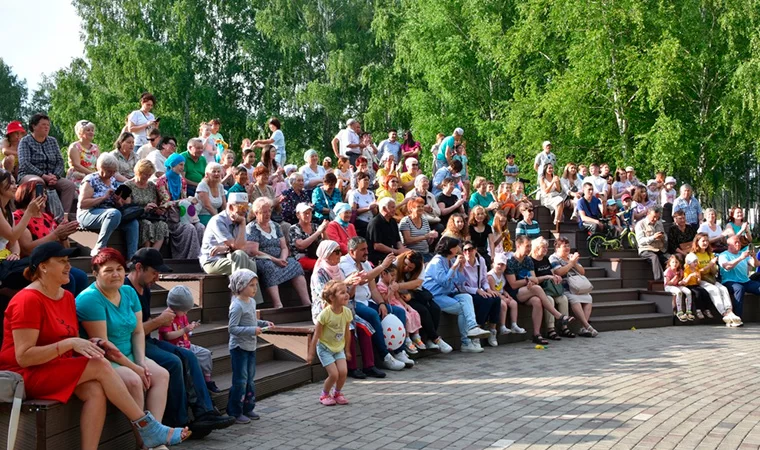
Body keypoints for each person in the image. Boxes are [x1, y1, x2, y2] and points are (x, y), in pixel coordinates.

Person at [0, 242, 190, 449]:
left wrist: (93, 344)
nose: (69, 266)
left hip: (54, 367)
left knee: (95, 390)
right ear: (43, 267)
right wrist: (70, 343)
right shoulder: (27, 300)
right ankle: (149, 427)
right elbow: (24, 357)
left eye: (68, 261)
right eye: (62, 261)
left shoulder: (66, 297)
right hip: (25, 374)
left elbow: (65, 339)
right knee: (99, 366)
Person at [76, 249, 187, 445]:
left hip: (129, 352)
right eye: (108, 270)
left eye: (119, 269)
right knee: (135, 380)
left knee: (161, 374)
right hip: (105, 359)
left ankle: (155, 438)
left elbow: (137, 332)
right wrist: (135, 368)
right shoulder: (89, 299)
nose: (116, 274)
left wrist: (142, 361)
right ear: (95, 273)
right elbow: (104, 348)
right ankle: (145, 443)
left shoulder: (128, 292)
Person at [125, 249, 235, 436]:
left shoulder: (146, 288)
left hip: (147, 340)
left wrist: (157, 322)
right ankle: (179, 422)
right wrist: (158, 322)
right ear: (138, 267)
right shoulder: (125, 290)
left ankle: (204, 412)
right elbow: (128, 332)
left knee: (189, 356)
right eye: (154, 272)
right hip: (132, 344)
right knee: (174, 362)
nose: (157, 277)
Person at [310, 240, 389, 377]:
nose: (340, 255)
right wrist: (345, 282)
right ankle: (352, 367)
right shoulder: (319, 272)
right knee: (350, 329)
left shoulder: (338, 270)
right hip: (326, 310)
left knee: (365, 327)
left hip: (344, 308)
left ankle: (369, 365)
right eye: (337, 252)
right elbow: (326, 295)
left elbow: (349, 295)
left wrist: (353, 285)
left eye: (340, 251)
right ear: (327, 254)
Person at [340, 237, 415, 368]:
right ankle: (384, 356)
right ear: (352, 252)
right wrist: (383, 266)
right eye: (362, 250)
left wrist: (381, 303)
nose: (366, 252)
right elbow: (360, 280)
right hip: (354, 303)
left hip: (368, 300)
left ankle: (399, 351)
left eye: (366, 249)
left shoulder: (366, 263)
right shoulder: (344, 262)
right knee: (373, 314)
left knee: (398, 311)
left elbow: (373, 289)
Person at [12, 180, 86, 294]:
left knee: (81, 276)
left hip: (55, 262)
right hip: (33, 264)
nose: (44, 197)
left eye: (45, 193)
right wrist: (55, 234)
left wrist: (63, 236)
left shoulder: (47, 216)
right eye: (39, 193)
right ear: (25, 195)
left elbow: (64, 249)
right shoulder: (19, 217)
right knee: (69, 280)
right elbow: (27, 249)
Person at [422, 236, 491, 353]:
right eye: (456, 246)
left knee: (467, 297)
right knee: (462, 309)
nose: (459, 248)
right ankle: (466, 341)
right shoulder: (436, 262)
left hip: (449, 293)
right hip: (435, 296)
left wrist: (461, 268)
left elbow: (458, 282)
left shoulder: (452, 260)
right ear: (450, 248)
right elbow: (444, 282)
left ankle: (472, 328)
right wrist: (454, 267)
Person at [506, 235, 573, 345]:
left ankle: (536, 334)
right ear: (518, 246)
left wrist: (531, 280)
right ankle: (558, 316)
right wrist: (528, 280)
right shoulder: (510, 261)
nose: (529, 249)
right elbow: (513, 284)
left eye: (530, 246)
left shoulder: (528, 260)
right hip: (514, 293)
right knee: (537, 289)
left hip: (527, 291)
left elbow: (535, 279)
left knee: (537, 301)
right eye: (527, 246)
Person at [226, 269, 273, 422]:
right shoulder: (237, 306)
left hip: (251, 346)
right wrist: (253, 330)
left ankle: (248, 407)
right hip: (239, 348)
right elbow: (232, 328)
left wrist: (263, 324)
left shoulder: (251, 302)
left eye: (256, 285)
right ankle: (235, 411)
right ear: (240, 286)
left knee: (250, 379)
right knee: (240, 380)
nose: (255, 288)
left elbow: (252, 321)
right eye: (251, 285)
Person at [199, 193, 264, 304]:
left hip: (229, 257)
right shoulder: (218, 221)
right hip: (212, 261)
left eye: (247, 207)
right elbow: (238, 247)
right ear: (230, 207)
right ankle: (240, 302)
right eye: (242, 207)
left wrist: (226, 248)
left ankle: (250, 303)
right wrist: (243, 224)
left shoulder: (239, 219)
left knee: (250, 262)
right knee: (241, 257)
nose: (245, 211)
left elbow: (241, 247)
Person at [246, 197, 310, 308]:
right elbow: (254, 251)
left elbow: (284, 247)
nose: (268, 214)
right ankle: (278, 304)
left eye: (269, 211)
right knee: (269, 266)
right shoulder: (252, 228)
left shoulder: (275, 226)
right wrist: (276, 260)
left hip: (279, 258)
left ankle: (306, 302)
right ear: (256, 213)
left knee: (295, 264)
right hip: (262, 259)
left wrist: (283, 259)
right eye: (264, 212)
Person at [77, 153, 140, 258]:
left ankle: (132, 258)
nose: (112, 174)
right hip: (89, 213)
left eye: (114, 171)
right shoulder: (91, 180)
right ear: (100, 168)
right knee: (113, 213)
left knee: (133, 223)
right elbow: (83, 203)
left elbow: (119, 204)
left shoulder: (113, 180)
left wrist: (117, 201)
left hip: (110, 213)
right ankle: (100, 246)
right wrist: (103, 198)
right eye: (109, 171)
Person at [17, 114, 77, 221]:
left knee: (69, 185)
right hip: (30, 175)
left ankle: (64, 217)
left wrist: (55, 176)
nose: (46, 127)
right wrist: (43, 176)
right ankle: (42, 217)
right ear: (34, 126)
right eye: (43, 124)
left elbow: (60, 161)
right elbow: (25, 163)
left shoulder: (52, 141)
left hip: (51, 176)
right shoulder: (25, 141)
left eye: (48, 125)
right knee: (38, 183)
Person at [158, 286, 215, 391]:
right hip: (174, 348)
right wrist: (184, 330)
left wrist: (190, 328)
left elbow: (185, 328)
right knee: (190, 359)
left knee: (205, 353)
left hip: (186, 344)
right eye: (184, 311)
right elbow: (167, 335)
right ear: (175, 307)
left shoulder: (182, 315)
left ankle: (207, 380)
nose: (186, 313)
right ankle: (194, 384)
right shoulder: (167, 316)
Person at [395, 251, 451, 352]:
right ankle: (435, 338)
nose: (406, 268)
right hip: (400, 297)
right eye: (405, 264)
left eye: (410, 267)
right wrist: (402, 289)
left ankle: (429, 339)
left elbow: (418, 283)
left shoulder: (420, 266)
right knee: (422, 310)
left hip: (415, 293)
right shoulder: (395, 263)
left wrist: (401, 287)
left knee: (435, 308)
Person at [307, 279, 352, 406]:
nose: (347, 294)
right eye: (342, 292)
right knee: (334, 374)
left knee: (343, 372)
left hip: (338, 348)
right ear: (332, 297)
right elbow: (316, 335)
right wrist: (310, 354)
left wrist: (347, 350)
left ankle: (337, 393)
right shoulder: (324, 315)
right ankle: (324, 394)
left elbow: (347, 333)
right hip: (325, 348)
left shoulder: (347, 312)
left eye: (346, 291)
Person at [155, 153, 204, 259]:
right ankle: (190, 259)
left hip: (183, 215)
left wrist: (190, 201)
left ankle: (202, 258)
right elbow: (165, 203)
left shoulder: (181, 180)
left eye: (183, 165)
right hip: (169, 217)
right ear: (172, 165)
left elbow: (183, 199)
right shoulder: (162, 181)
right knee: (189, 228)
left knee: (200, 227)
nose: (183, 168)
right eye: (180, 165)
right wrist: (184, 201)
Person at [691, 234, 742, 326]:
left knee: (723, 289)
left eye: (707, 241)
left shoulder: (710, 254)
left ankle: (729, 311)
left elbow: (714, 271)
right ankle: (724, 314)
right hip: (699, 280)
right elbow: (696, 272)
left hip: (710, 278)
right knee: (714, 290)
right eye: (703, 241)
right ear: (697, 242)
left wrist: (714, 267)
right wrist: (709, 265)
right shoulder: (693, 255)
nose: (706, 243)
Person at [550, 237, 597, 337]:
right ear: (557, 248)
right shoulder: (554, 258)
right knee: (575, 300)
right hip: (565, 287)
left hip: (578, 286)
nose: (567, 248)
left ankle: (583, 328)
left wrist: (574, 263)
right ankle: (587, 326)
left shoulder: (571, 257)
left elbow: (582, 272)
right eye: (564, 246)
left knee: (588, 298)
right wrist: (571, 263)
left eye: (568, 246)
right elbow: (559, 272)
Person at [530, 237, 574, 340]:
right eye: (543, 247)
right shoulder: (531, 260)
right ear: (536, 248)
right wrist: (547, 277)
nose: (546, 249)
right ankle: (550, 329)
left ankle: (564, 327)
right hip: (541, 289)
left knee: (563, 299)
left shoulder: (545, 259)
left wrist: (556, 277)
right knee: (549, 300)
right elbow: (534, 279)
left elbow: (552, 272)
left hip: (551, 288)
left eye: (546, 247)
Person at [461, 241, 502, 347]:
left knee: (496, 298)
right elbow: (461, 286)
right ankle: (477, 331)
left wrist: (488, 289)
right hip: (467, 292)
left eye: (470, 249)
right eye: (465, 250)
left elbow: (483, 279)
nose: (468, 252)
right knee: (486, 301)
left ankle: (492, 330)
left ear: (475, 250)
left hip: (480, 290)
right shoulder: (462, 264)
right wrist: (477, 290)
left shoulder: (481, 260)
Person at [124, 160, 168, 251]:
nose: (147, 177)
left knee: (162, 224)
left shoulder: (151, 185)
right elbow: (127, 207)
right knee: (146, 224)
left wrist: (157, 209)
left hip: (150, 216)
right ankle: (146, 252)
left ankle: (153, 254)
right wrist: (144, 209)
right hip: (136, 217)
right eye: (145, 174)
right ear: (138, 172)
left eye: (149, 175)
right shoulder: (127, 185)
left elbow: (155, 202)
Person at [719, 235, 760, 321]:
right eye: (735, 242)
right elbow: (727, 266)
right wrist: (740, 258)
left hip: (746, 281)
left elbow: (755, 265)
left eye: (739, 242)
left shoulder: (743, 254)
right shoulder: (723, 255)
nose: (738, 244)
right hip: (730, 281)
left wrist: (754, 257)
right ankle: (737, 317)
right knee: (739, 289)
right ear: (729, 245)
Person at [487, 253, 525, 335]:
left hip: (500, 294)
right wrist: (503, 298)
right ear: (494, 264)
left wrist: (506, 293)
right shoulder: (490, 276)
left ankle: (514, 325)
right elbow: (493, 290)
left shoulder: (502, 275)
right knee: (503, 305)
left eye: (503, 265)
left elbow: (501, 288)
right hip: (493, 296)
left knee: (514, 303)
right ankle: (502, 326)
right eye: (498, 264)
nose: (500, 266)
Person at [366, 198, 408, 265]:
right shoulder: (375, 223)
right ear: (384, 208)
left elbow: (397, 240)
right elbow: (377, 245)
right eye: (392, 207)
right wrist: (397, 252)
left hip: (393, 254)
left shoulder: (393, 221)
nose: (395, 209)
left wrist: (403, 250)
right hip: (379, 257)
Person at [289, 203, 328, 271]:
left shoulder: (315, 226)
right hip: (302, 258)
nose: (308, 215)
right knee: (322, 266)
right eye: (305, 213)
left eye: (309, 213)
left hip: (317, 256)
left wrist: (323, 231)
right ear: (298, 215)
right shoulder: (294, 228)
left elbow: (327, 243)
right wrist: (318, 232)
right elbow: (301, 245)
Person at [635, 206, 669, 281]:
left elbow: (665, 238)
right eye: (653, 217)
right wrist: (653, 237)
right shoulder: (640, 224)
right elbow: (640, 241)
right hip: (646, 249)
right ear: (648, 214)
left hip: (659, 249)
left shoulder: (659, 224)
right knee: (654, 258)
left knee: (672, 260)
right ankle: (659, 281)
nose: (655, 219)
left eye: (657, 217)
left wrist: (663, 237)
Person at [399, 198, 437, 262]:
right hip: (413, 254)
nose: (421, 208)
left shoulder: (424, 220)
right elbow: (407, 240)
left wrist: (431, 237)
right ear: (411, 209)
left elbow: (428, 241)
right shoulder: (405, 221)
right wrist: (425, 236)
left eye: (422, 206)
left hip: (426, 252)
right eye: (418, 206)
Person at [66, 120, 100, 191]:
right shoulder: (74, 147)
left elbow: (99, 164)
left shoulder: (95, 147)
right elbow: (77, 166)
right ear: (80, 132)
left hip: (94, 175)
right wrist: (93, 174)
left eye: (92, 130)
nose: (91, 132)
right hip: (79, 176)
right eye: (88, 130)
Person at [681, 252, 715, 321]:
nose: (696, 264)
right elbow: (685, 282)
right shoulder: (687, 270)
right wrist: (690, 276)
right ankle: (698, 309)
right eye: (694, 262)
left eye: (696, 262)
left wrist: (698, 278)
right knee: (697, 293)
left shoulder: (697, 270)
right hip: (689, 286)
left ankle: (707, 309)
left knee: (705, 292)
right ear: (689, 263)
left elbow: (698, 282)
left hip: (695, 285)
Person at [663, 255, 694, 322]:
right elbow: (668, 283)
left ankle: (689, 311)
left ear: (679, 263)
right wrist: (675, 277)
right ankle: (679, 312)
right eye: (673, 262)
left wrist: (681, 281)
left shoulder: (680, 270)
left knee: (688, 292)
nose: (675, 264)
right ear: (669, 263)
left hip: (677, 285)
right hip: (669, 286)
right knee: (678, 292)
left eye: (676, 262)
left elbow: (681, 281)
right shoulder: (668, 271)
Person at [539, 163, 568, 230]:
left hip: (555, 196)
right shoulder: (542, 179)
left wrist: (557, 182)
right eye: (549, 168)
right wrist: (552, 182)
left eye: (552, 168)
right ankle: (558, 219)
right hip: (546, 197)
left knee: (561, 200)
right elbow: (546, 191)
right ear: (545, 169)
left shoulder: (554, 177)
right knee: (560, 200)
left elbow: (558, 190)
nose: (551, 169)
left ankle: (557, 219)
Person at [348, 171, 376, 237]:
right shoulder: (354, 194)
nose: (367, 182)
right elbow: (353, 211)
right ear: (358, 181)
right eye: (365, 180)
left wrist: (374, 207)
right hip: (360, 220)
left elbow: (375, 213)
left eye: (368, 180)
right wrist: (368, 208)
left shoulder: (371, 193)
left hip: (371, 220)